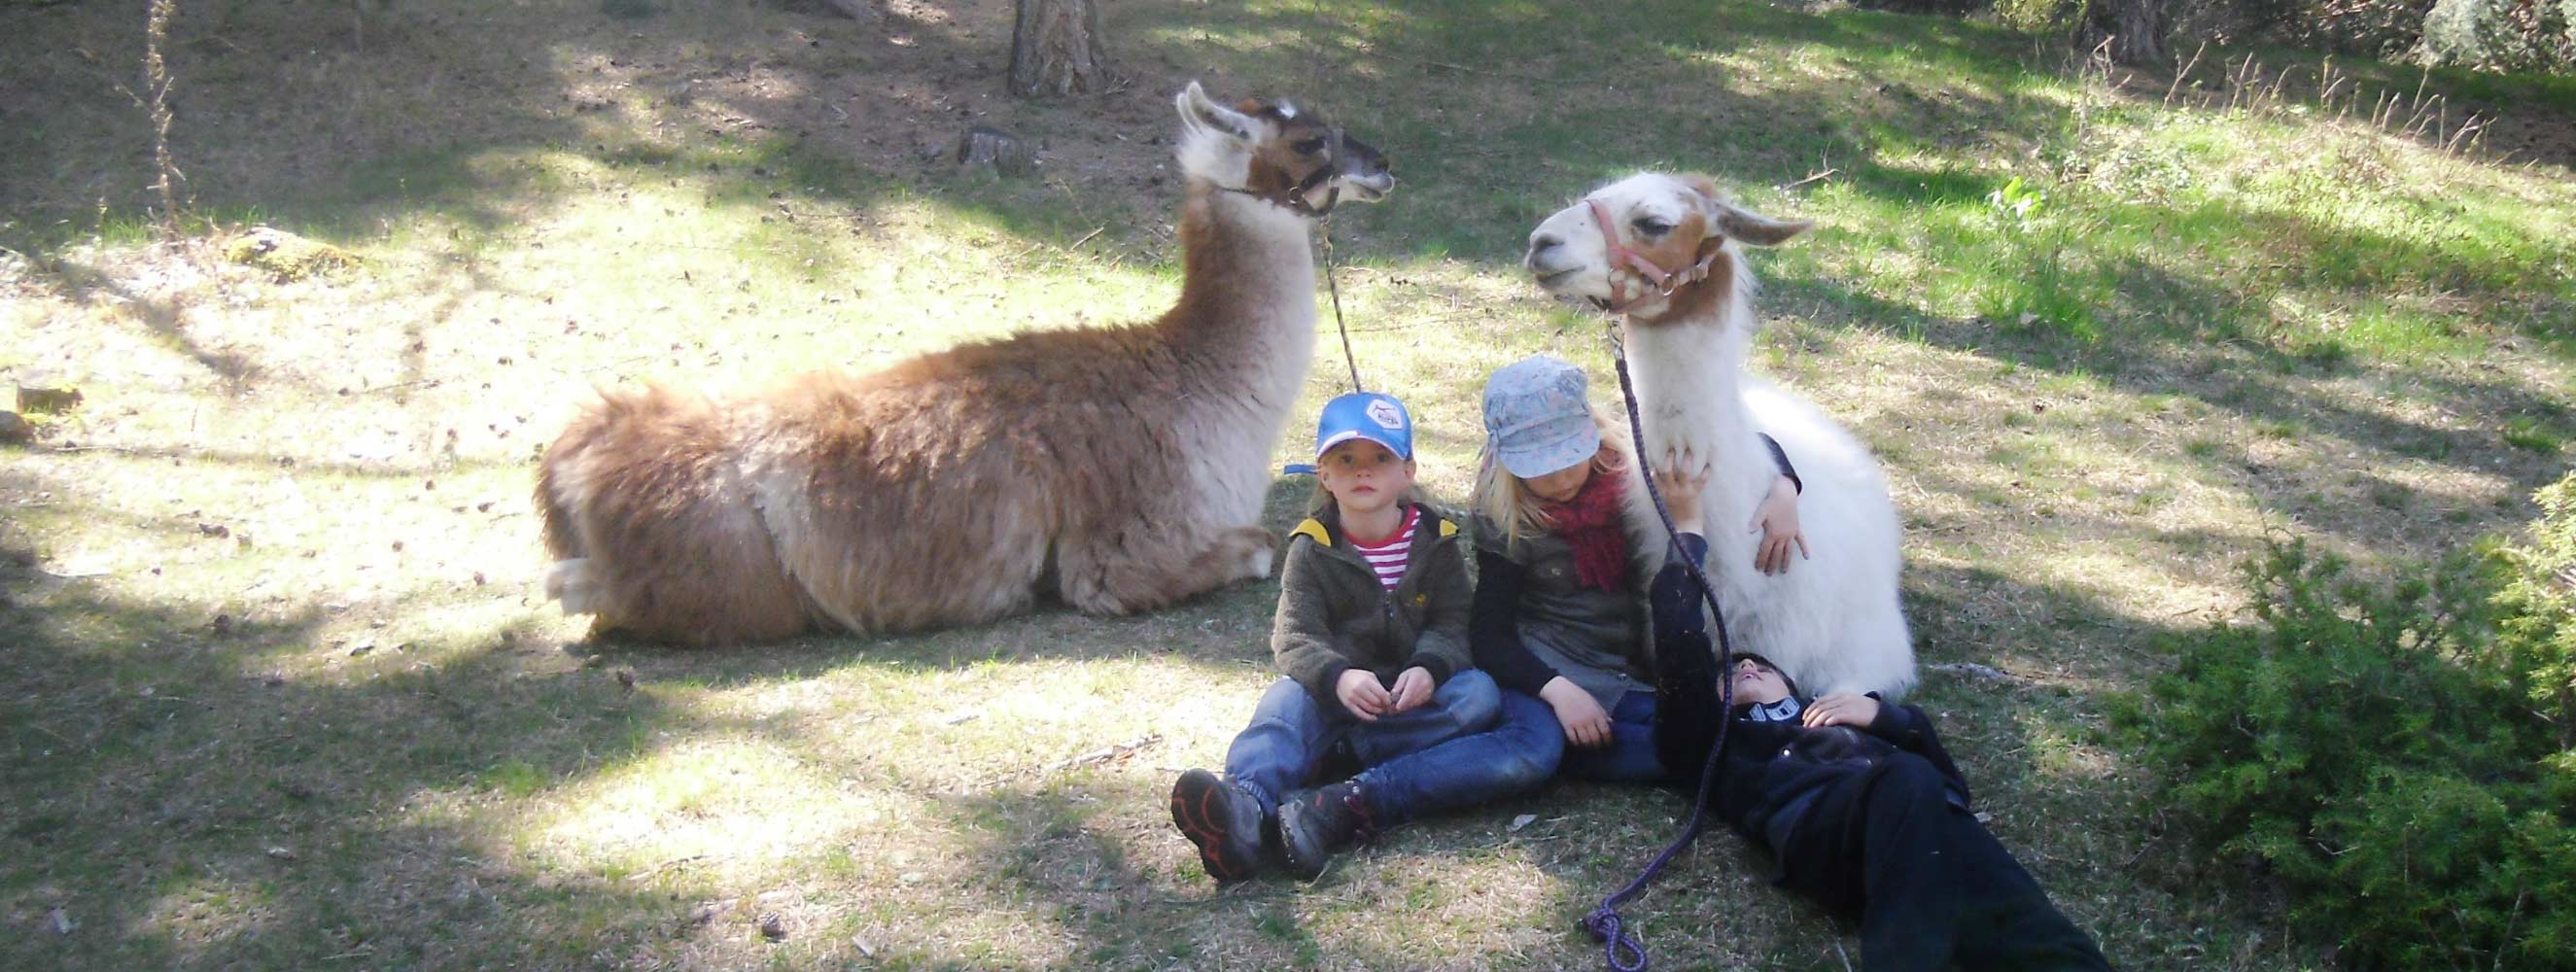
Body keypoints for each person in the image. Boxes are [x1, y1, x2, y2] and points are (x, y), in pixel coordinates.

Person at [1647, 466, 2115, 971]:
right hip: (1828, 833)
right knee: (1906, 777)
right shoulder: (1708, 739)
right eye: (1731, 672)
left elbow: (1950, 780)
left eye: (1758, 663)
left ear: (1792, 683)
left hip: (1935, 829)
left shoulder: (1837, 710)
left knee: (2044, 938)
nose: (1746, 665)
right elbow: (1677, 631)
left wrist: (1885, 715)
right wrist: (1687, 523)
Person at [1170, 391, 1562, 882]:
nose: (1363, 471)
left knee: (1478, 695)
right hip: (1335, 695)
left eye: (1380, 458)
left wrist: (1429, 666)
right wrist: (1337, 677)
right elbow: (1294, 637)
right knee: (1281, 707)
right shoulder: (1313, 548)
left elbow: (1453, 621)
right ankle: (1244, 809)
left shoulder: (1435, 542)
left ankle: (1342, 759)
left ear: (1408, 472)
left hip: (1409, 699)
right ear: (1324, 474)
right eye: (1346, 459)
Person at [1468, 355, 1806, 781]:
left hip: (1645, 655)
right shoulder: (1505, 516)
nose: (1559, 480)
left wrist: (1783, 485)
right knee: (1678, 751)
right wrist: (1558, 690)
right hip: (1568, 663)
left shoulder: (1631, 459)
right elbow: (1489, 632)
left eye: (1569, 457)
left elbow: (1737, 445)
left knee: (1699, 733)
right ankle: (1558, 736)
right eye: (1541, 469)